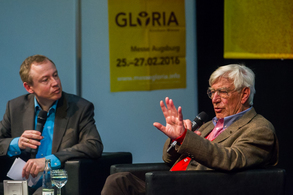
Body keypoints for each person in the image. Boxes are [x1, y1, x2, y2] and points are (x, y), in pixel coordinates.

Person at [101, 64, 279, 195]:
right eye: (212, 92)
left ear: (244, 94)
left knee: (120, 182)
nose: (214, 99)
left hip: (200, 188)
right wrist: (177, 139)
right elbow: (167, 158)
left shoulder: (259, 129)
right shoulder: (209, 124)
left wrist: (187, 139)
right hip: (171, 185)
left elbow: (230, 159)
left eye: (222, 92)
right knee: (120, 179)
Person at [0, 55, 103, 195]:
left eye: (55, 75)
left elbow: (93, 145)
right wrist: (17, 143)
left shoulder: (79, 108)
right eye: (45, 80)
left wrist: (49, 161)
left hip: (59, 184)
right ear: (29, 87)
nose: (55, 83)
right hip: (21, 184)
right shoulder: (15, 108)